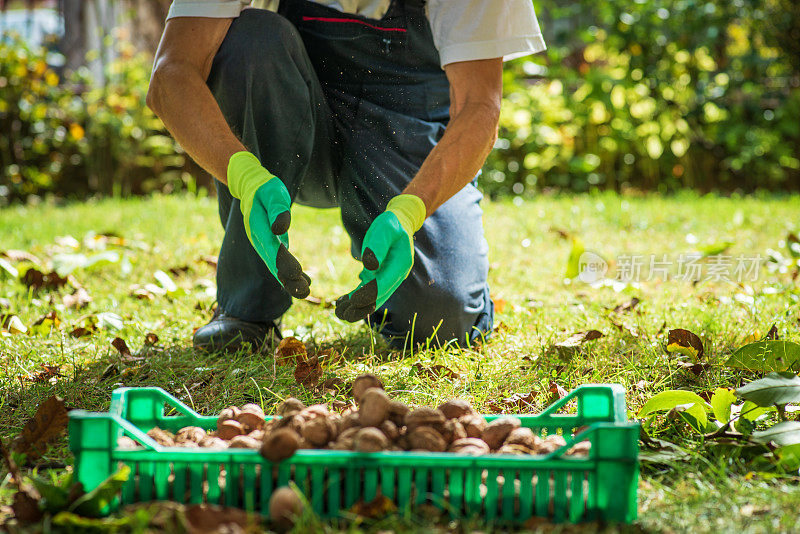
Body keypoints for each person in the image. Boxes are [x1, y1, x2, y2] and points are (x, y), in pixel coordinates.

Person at [146, 0, 546, 352]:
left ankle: (410, 297)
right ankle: (246, 309)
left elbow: (479, 107)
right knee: (252, 38)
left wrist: (411, 210)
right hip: (294, 124)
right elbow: (171, 73)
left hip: (405, 134)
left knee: (441, 319)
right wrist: (244, 175)